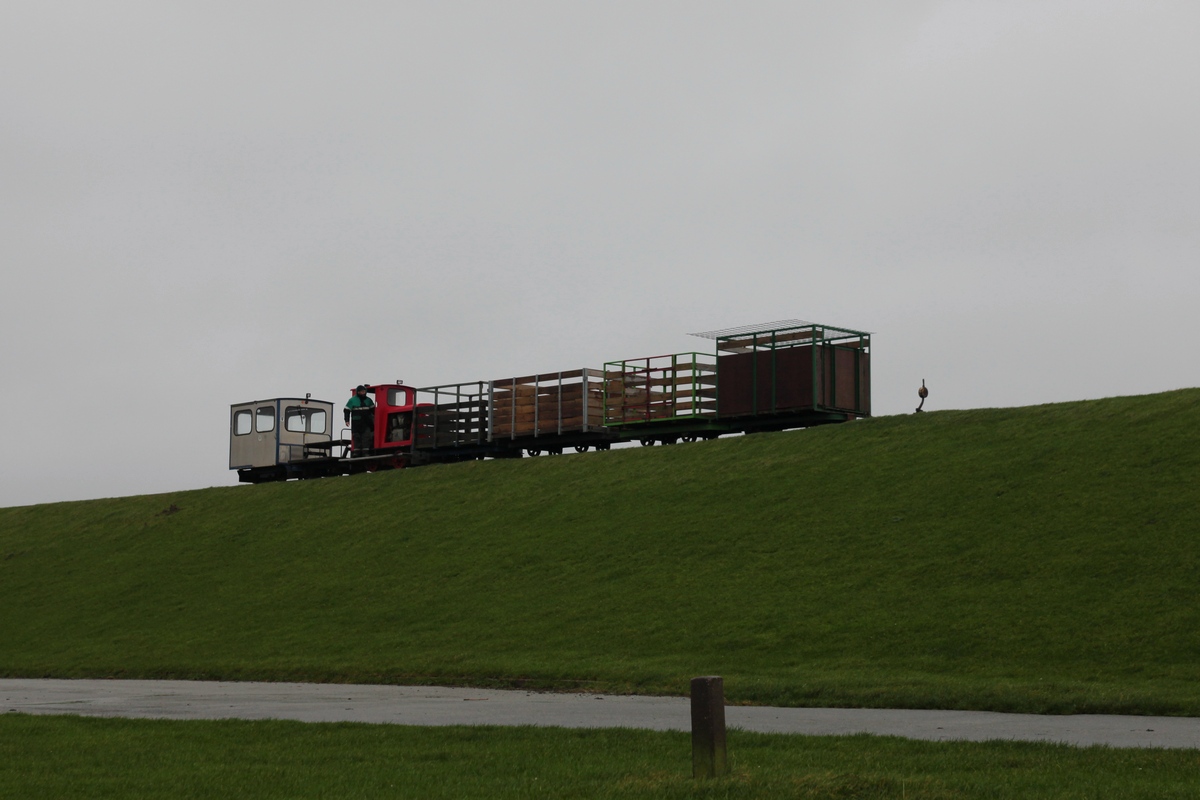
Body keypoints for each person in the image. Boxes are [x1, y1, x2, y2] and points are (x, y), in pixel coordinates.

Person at [344, 385, 376, 456]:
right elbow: (346, 410)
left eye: (364, 391)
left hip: (367, 423)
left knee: (366, 437)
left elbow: (374, 411)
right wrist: (347, 420)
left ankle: (365, 453)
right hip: (356, 423)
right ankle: (356, 453)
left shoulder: (369, 400)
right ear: (358, 392)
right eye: (361, 391)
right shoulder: (352, 400)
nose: (363, 393)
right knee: (356, 437)